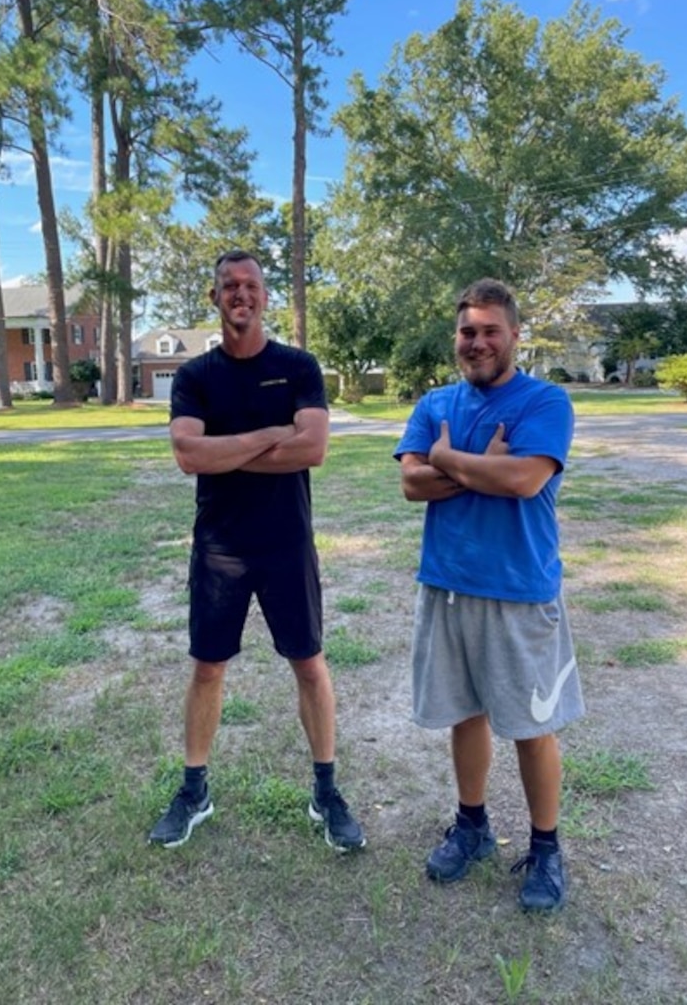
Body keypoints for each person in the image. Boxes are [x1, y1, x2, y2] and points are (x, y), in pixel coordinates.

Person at [148, 249, 365, 853]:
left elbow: (314, 448)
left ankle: (326, 790)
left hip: (285, 543)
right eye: (228, 286)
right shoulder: (195, 377)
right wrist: (273, 434)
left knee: (309, 663)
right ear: (214, 298)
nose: (240, 294)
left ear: (265, 296)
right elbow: (190, 456)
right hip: (219, 547)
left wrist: (231, 446)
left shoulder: (298, 367)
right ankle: (195, 791)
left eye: (250, 285)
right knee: (208, 667)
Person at [394, 278, 584, 913]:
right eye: (467, 331)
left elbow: (526, 479)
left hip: (519, 591)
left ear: (514, 336)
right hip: (447, 585)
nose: (476, 342)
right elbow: (411, 484)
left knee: (533, 726)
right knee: (465, 714)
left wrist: (449, 458)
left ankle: (546, 848)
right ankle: (471, 826)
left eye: (489, 331)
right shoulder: (435, 402)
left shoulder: (545, 401)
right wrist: (476, 466)